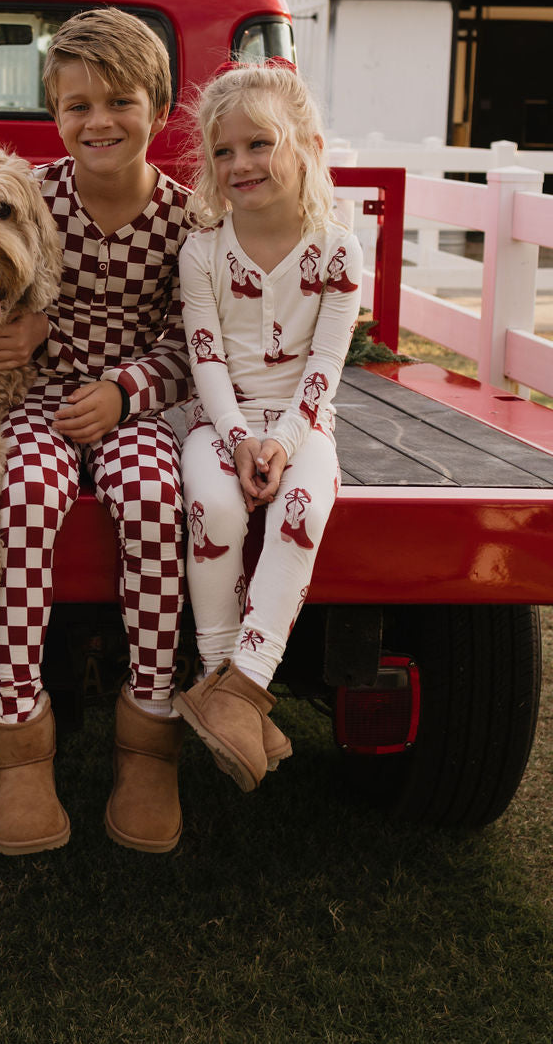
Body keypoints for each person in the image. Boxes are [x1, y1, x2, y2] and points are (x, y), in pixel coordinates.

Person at [0, 8, 192, 857]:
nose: (98, 121)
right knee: (24, 490)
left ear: (160, 106)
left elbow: (188, 343)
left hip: (133, 404)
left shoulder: (184, 219)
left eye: (119, 101)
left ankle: (148, 730)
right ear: (55, 115)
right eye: (76, 106)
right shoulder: (31, 197)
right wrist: (30, 327)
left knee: (152, 496)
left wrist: (124, 389)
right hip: (37, 396)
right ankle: (21, 726)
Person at [173, 59, 362, 791]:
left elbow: (325, 362)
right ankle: (222, 672)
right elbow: (206, 358)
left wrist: (283, 441)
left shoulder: (338, 250)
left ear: (306, 145)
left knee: (302, 508)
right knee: (213, 504)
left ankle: (242, 685)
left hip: (303, 423)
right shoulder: (204, 251)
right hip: (219, 421)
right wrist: (238, 439)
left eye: (259, 143)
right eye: (224, 150)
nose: (240, 163)